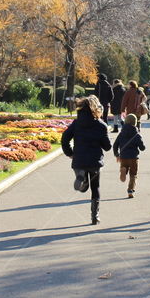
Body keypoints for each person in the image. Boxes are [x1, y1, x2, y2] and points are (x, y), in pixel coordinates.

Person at [61, 95, 112, 224]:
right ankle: (95, 216)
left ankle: (82, 179)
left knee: (84, 187)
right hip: (94, 161)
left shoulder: (76, 123)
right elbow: (107, 147)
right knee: (95, 188)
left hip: (79, 160)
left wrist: (69, 153)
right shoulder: (100, 125)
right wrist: (104, 136)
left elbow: (65, 138)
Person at [113, 113, 145, 198]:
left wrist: (117, 154)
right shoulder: (137, 134)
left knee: (125, 167)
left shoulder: (121, 133)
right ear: (135, 123)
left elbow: (115, 145)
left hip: (123, 157)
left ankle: (123, 170)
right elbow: (142, 148)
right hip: (133, 158)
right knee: (133, 174)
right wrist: (142, 146)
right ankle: (130, 190)